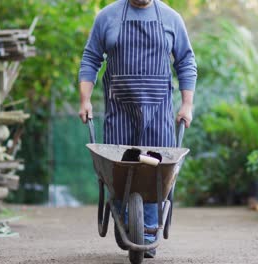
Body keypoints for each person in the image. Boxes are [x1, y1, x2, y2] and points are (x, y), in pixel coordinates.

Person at [78, 0, 197, 258]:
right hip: (119, 112)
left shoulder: (171, 18)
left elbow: (186, 61)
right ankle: (125, 225)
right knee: (119, 168)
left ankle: (148, 231)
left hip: (159, 114)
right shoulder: (107, 17)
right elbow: (91, 58)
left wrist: (187, 104)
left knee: (156, 171)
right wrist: (85, 100)